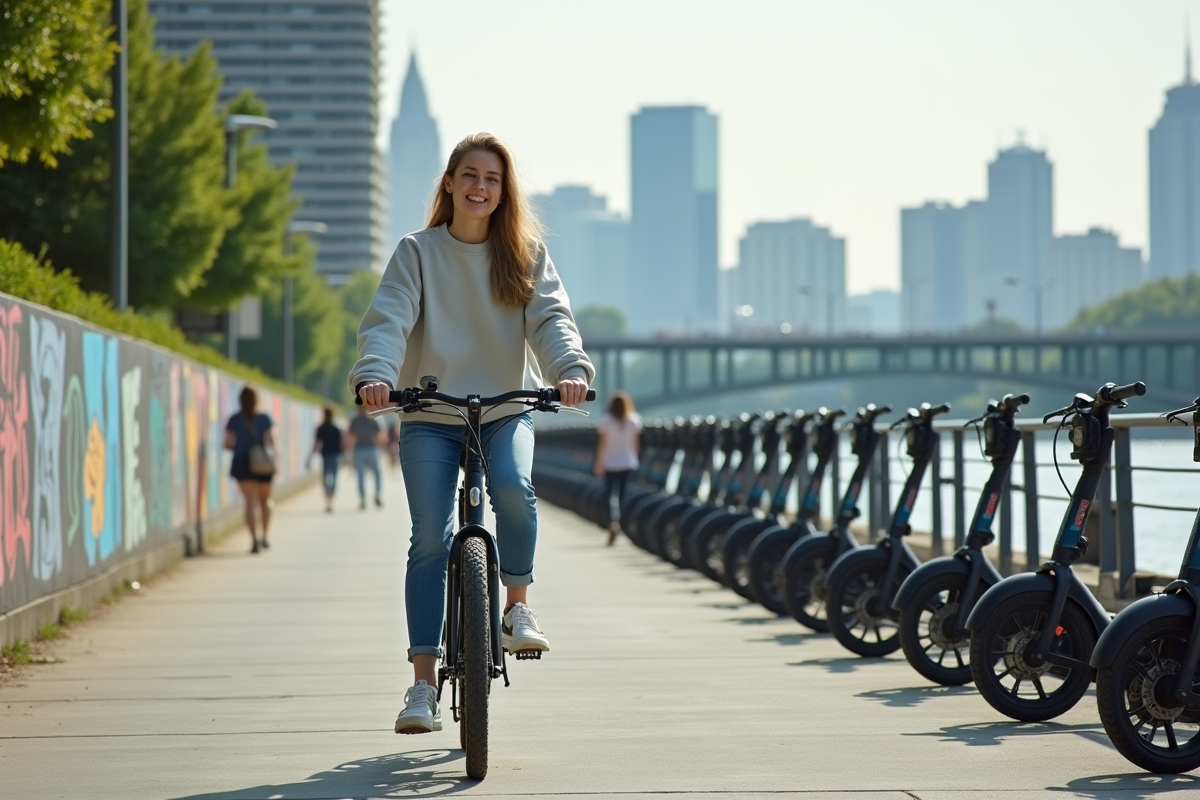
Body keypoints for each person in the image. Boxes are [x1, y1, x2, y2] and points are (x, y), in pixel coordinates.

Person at [352, 132, 593, 735]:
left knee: (514, 488)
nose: (480, 187)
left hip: (505, 409)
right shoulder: (418, 252)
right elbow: (389, 317)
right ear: (449, 183)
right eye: (470, 176)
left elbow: (551, 319)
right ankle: (422, 686)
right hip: (431, 416)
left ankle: (516, 609)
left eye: (492, 179)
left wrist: (569, 370)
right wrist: (376, 376)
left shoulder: (524, 254)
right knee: (430, 540)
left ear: (503, 191)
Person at [224, 386, 275, 553]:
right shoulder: (264, 418)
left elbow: (227, 444)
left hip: (241, 463)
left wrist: (240, 447)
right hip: (263, 464)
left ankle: (253, 540)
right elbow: (272, 442)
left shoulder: (234, 419)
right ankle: (264, 536)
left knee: (250, 503)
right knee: (265, 501)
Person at [593, 391, 642, 546]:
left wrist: (599, 462)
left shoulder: (605, 421)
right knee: (623, 495)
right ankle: (623, 523)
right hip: (627, 463)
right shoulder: (634, 420)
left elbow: (602, 444)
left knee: (609, 495)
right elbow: (635, 444)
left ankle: (612, 523)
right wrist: (635, 459)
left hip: (610, 463)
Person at [347, 406, 384, 510]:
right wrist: (381, 448)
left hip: (358, 450)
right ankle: (377, 493)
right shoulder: (373, 419)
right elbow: (377, 436)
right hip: (371, 449)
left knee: (360, 475)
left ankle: (363, 499)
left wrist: (348, 451)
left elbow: (351, 437)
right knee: (377, 473)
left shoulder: (354, 421)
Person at [312, 407, 343, 513]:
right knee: (334, 478)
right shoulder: (336, 429)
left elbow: (316, 444)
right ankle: (331, 499)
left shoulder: (321, 428)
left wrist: (310, 457)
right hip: (335, 456)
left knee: (325, 479)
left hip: (325, 455)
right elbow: (341, 444)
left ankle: (327, 499)